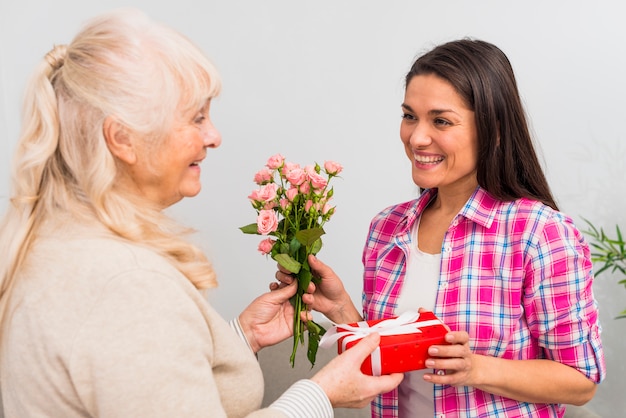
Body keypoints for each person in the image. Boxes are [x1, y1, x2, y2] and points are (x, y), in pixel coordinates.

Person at [0, 9, 404, 418]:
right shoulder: (127, 284)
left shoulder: (56, 243)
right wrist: (321, 395)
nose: (214, 136)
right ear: (122, 138)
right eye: (196, 117)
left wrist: (237, 339)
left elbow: (138, 381)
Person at [276, 39, 606, 418]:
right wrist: (343, 312)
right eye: (409, 116)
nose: (416, 137)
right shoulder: (387, 228)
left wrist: (476, 368)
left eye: (441, 121)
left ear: (493, 130)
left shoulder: (539, 234)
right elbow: (392, 357)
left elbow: (581, 381)